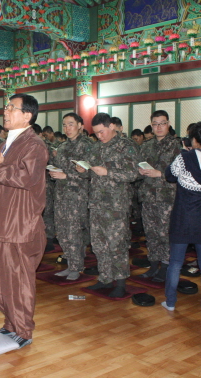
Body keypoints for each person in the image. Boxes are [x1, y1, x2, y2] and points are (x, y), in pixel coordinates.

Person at [0, 93, 48, 348]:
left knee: (17, 280)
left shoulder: (34, 145)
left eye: (11, 107)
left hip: (18, 224)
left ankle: (23, 330)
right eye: (6, 107)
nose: (5, 111)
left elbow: (26, 178)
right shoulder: (5, 143)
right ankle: (11, 323)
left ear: (27, 115)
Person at [163, 121, 201, 316]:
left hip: (183, 218)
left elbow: (169, 175)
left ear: (194, 140)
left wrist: (186, 153)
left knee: (175, 262)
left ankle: (170, 302)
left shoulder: (184, 158)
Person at [86, 113, 140, 298]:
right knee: (99, 244)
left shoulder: (126, 146)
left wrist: (108, 172)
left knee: (117, 244)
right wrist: (84, 170)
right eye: (96, 133)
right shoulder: (96, 147)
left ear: (111, 126)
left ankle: (121, 282)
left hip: (116, 205)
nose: (99, 136)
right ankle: (105, 278)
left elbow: (133, 174)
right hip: (96, 203)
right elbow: (91, 173)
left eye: (102, 132)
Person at [137, 110, 181, 281]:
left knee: (165, 234)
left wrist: (160, 174)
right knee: (151, 234)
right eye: (155, 124)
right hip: (148, 196)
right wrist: (140, 171)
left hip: (167, 198)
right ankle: (154, 265)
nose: (159, 127)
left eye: (162, 123)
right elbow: (138, 169)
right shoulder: (146, 146)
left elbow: (182, 173)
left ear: (168, 124)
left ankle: (167, 267)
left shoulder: (177, 146)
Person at [49, 113, 94, 280]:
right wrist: (54, 171)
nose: (67, 128)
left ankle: (76, 267)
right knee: (62, 231)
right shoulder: (62, 147)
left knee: (74, 232)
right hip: (61, 194)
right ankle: (69, 263)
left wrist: (66, 176)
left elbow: (90, 174)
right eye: (64, 125)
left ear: (80, 126)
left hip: (77, 196)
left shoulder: (88, 146)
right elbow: (60, 167)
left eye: (71, 124)